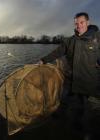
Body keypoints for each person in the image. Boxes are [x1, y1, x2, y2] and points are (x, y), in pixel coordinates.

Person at [39, 12, 100, 140]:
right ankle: (57, 120)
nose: (79, 26)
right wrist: (43, 60)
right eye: (76, 23)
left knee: (84, 110)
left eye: (81, 22)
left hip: (87, 82)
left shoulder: (97, 38)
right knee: (63, 100)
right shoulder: (70, 41)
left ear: (88, 23)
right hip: (70, 80)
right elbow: (57, 52)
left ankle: (84, 132)